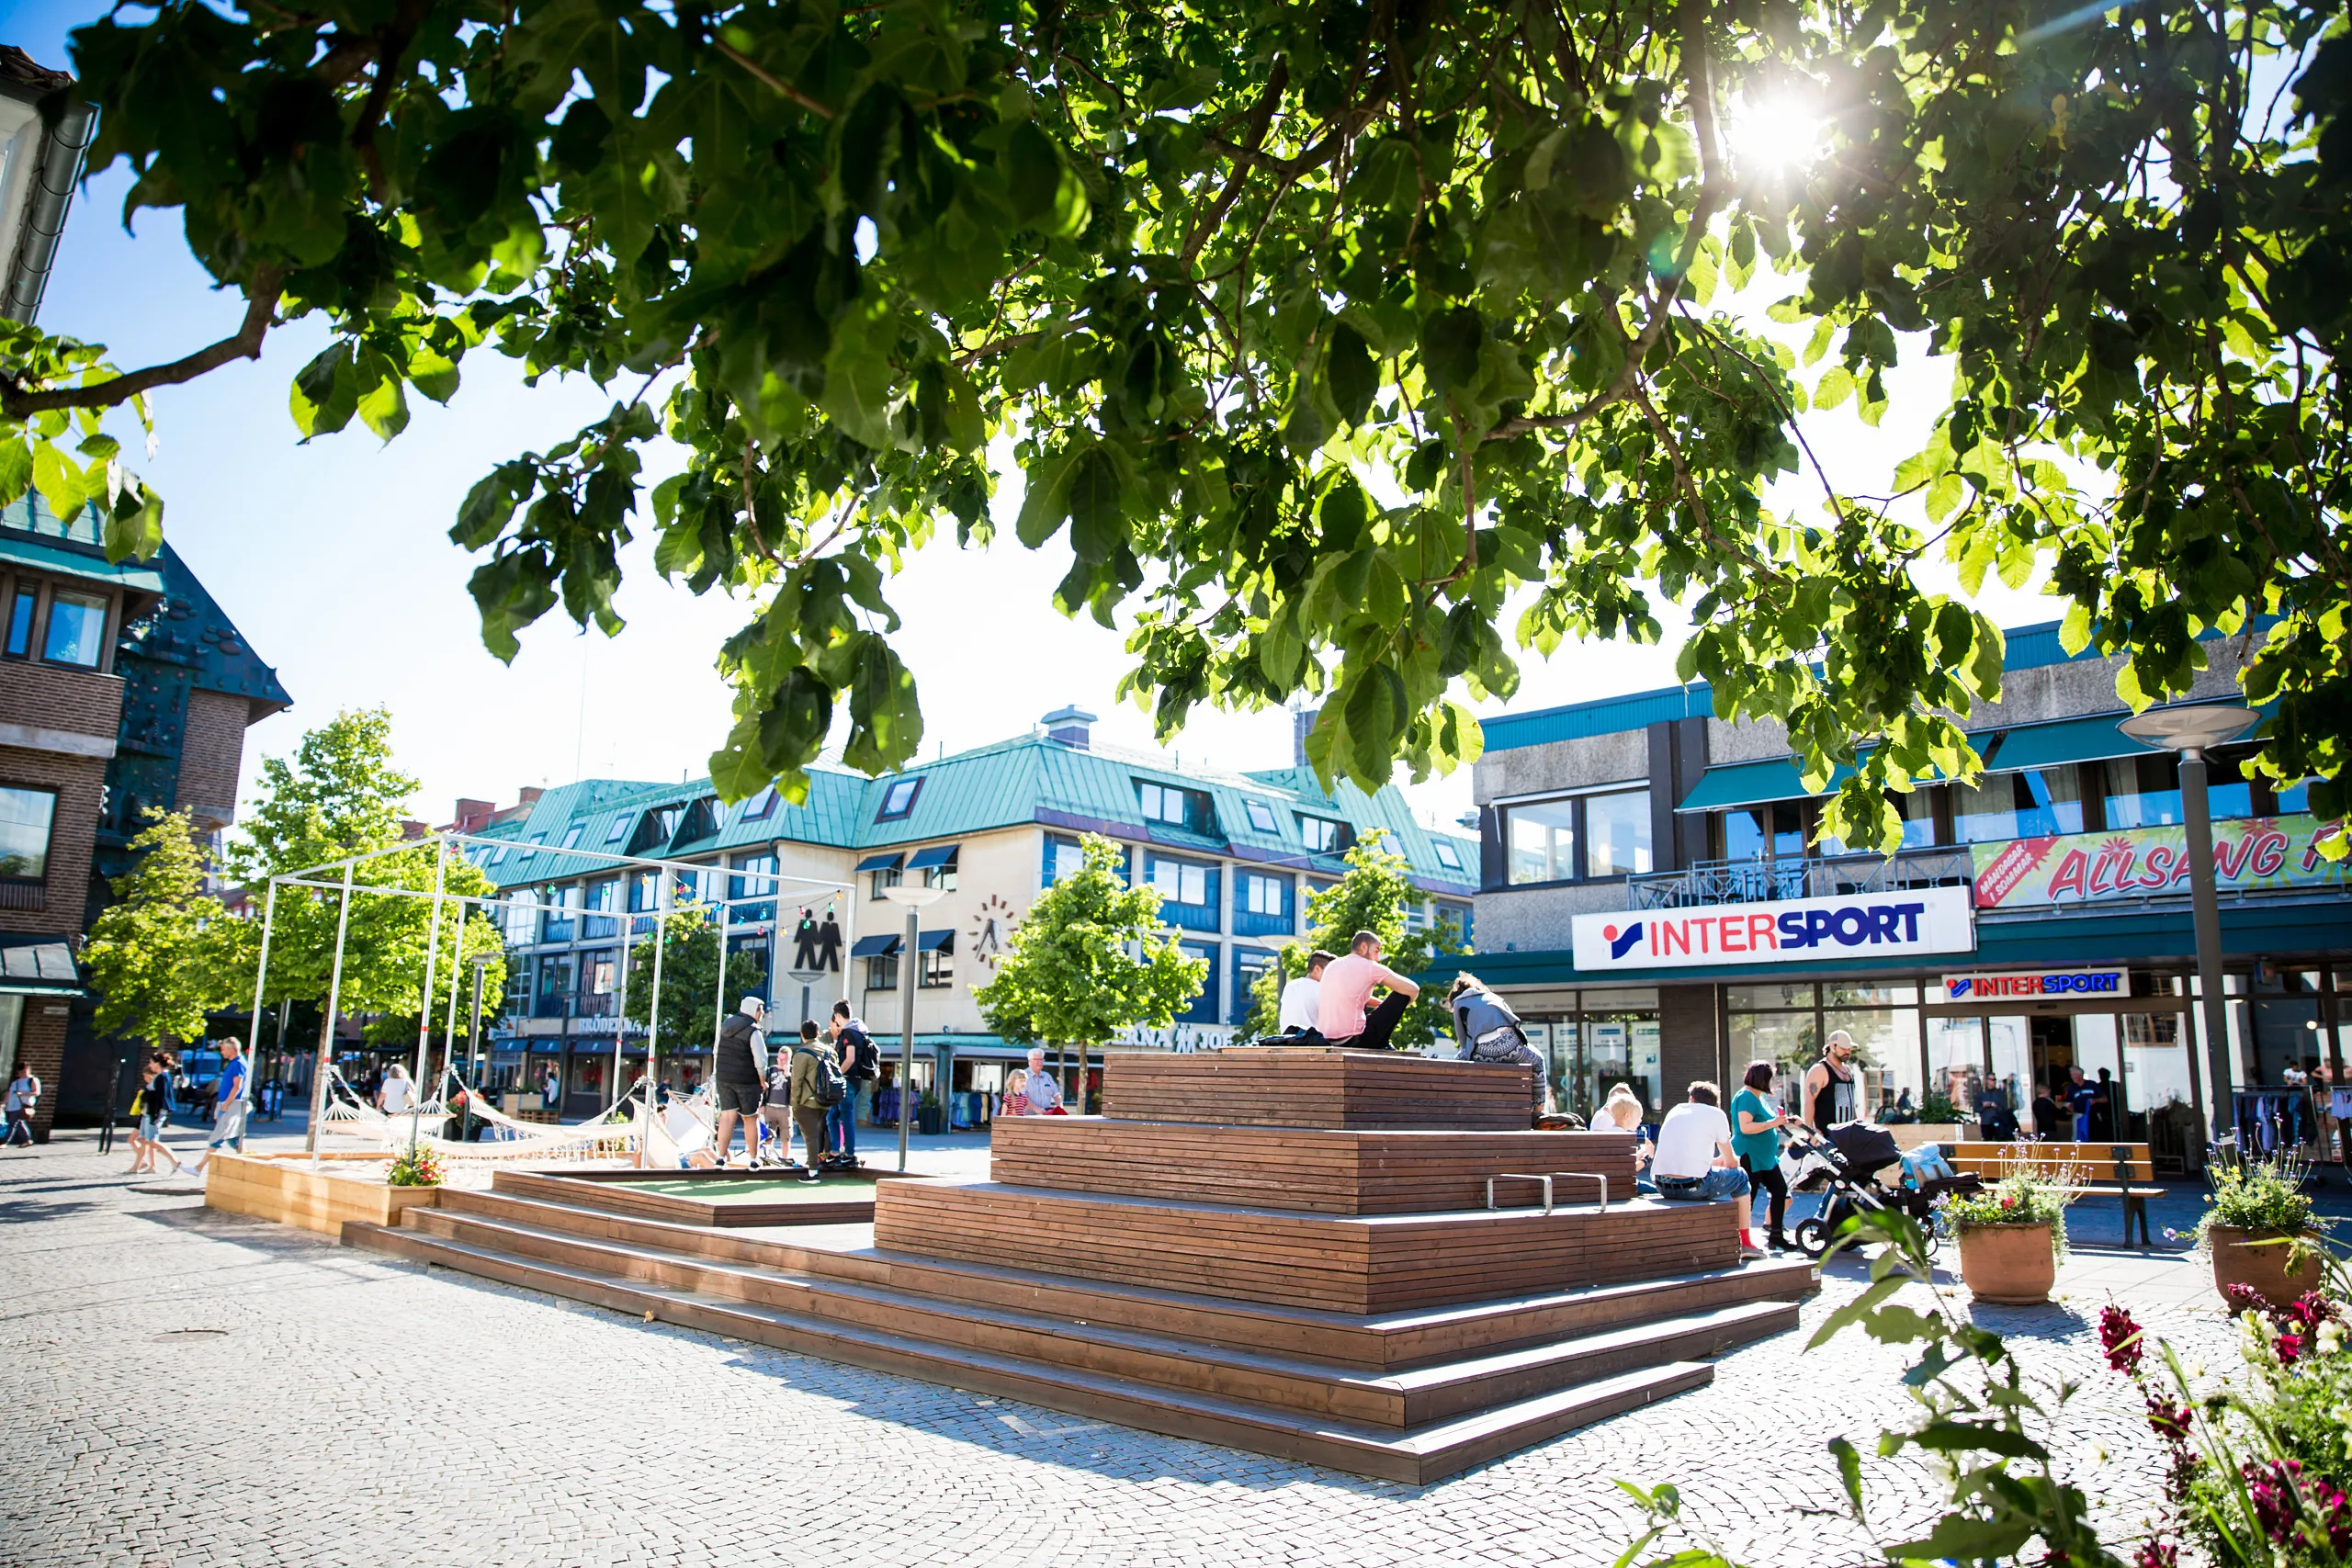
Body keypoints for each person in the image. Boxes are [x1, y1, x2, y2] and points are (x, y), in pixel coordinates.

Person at [1650, 1082, 1759, 1257]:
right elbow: (1731, 1163)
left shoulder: (1676, 1110)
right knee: (1741, 1177)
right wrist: (1730, 1160)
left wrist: (1714, 1163)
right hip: (1692, 1187)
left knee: (1711, 1174)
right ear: (1714, 1103)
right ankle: (1745, 1243)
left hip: (1661, 1185)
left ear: (1691, 1099)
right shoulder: (1716, 1114)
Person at [1448, 975, 1545, 1120]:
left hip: (1482, 1052)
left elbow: (1462, 1040)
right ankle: (1539, 1113)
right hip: (1511, 1046)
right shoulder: (1492, 996)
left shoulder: (1458, 1003)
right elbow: (1514, 1023)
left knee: (1455, 1064)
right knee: (1538, 1060)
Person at [1730, 1063, 1796, 1253]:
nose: (1773, 1083)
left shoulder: (1759, 1097)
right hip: (1750, 1155)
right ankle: (1740, 1239)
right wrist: (1773, 1123)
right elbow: (1745, 1127)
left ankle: (1776, 1235)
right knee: (1747, 1197)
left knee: (1780, 1191)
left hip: (1766, 1158)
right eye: (1771, 1078)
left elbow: (1766, 1123)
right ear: (1762, 1078)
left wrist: (1785, 1122)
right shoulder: (1746, 1097)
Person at [1317, 931, 1420, 1051]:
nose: (1377, 958)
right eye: (1376, 951)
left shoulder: (1333, 965)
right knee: (1402, 994)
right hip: (1355, 1040)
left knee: (1362, 1008)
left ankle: (1383, 1042)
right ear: (1364, 946)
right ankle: (1383, 1043)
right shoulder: (1369, 966)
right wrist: (1396, 1008)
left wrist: (1385, 1007)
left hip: (1326, 1039)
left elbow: (1350, 997)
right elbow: (1413, 989)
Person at [713, 995, 769, 1166]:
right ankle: (753, 1160)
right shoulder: (753, 1030)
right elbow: (761, 1060)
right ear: (753, 1010)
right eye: (760, 1010)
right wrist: (762, 1080)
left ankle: (720, 1159)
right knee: (750, 1118)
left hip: (724, 1077)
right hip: (747, 1080)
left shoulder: (725, 1026)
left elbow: (716, 1050)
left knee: (727, 1117)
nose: (762, 1014)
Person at [187, 1039, 250, 1177]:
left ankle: (199, 1168)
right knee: (231, 1138)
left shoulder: (238, 1064)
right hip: (229, 1104)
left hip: (232, 1104)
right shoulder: (235, 1063)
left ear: (232, 1049)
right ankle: (250, 1161)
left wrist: (226, 1103)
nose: (221, 1052)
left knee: (217, 1137)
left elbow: (237, 1086)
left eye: (223, 1049)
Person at [786, 1022, 833, 1184]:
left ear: (802, 1034)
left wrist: (794, 1104)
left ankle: (813, 1172)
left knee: (811, 1137)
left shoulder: (801, 1054)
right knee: (823, 1132)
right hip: (827, 1101)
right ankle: (827, 1159)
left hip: (807, 1102)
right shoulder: (830, 1051)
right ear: (818, 1033)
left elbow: (796, 1082)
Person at [827, 1000, 873, 1167]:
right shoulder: (859, 1031)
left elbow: (850, 1058)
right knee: (833, 1116)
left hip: (847, 1081)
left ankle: (848, 1153)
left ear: (838, 1016)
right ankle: (837, 1152)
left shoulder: (849, 1033)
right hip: (855, 1080)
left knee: (844, 1116)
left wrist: (836, 1074)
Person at [128, 1053, 186, 1178]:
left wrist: (146, 1096)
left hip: (153, 1113)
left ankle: (175, 1161)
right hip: (149, 1112)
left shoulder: (162, 1077)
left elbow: (160, 1097)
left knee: (151, 1140)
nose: (150, 1065)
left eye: (151, 1063)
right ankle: (137, 1167)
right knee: (143, 1140)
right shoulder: (161, 1076)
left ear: (157, 1063)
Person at [756, 1029, 799, 1168]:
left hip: (785, 1108)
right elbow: (764, 1088)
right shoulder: (771, 1070)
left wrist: (789, 1075)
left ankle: (784, 1158)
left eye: (784, 1060)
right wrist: (762, 1104)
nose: (781, 1062)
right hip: (770, 1106)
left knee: (786, 1136)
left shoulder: (793, 1072)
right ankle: (767, 1157)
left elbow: (795, 1090)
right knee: (769, 1134)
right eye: (780, 1059)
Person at [1800, 1032, 1860, 1130]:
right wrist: (1811, 1132)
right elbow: (1809, 1102)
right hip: (1828, 1135)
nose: (1847, 1051)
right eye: (1843, 1048)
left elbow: (1850, 1103)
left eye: (1849, 1048)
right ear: (1832, 1047)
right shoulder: (1820, 1070)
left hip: (1849, 1135)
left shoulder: (1848, 1070)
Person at [1278, 951, 1334, 1034]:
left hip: (1286, 1041)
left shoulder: (1289, 986)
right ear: (1317, 969)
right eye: (1329, 972)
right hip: (1309, 1042)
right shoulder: (1322, 989)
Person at [5, 1062, 41, 1145]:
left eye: (25, 1072)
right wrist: (3, 1103)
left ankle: (4, 1141)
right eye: (21, 1072)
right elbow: (9, 1093)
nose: (23, 1074)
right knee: (19, 1123)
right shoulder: (16, 1082)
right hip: (13, 1105)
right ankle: (27, 1139)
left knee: (12, 1123)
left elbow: (37, 1092)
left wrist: (23, 1094)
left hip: (23, 1105)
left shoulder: (32, 1080)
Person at [1023, 1046, 1065, 1114]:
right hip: (1028, 1118)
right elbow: (1021, 1097)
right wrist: (1037, 1109)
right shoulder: (1023, 1076)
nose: (1040, 1062)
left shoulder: (1047, 1076)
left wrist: (1060, 1111)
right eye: (1037, 1059)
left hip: (1045, 1117)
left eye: (1042, 1060)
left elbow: (1057, 1095)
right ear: (1029, 1061)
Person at [2031, 1077, 2064, 1141]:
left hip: (2041, 1129)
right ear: (2046, 1091)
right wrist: (2064, 1108)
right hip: (2050, 1129)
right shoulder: (2047, 1103)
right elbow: (2057, 1114)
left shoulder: (2035, 1103)